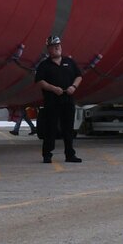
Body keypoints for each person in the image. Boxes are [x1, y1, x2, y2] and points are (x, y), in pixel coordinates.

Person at [34, 35, 83, 163]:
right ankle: (47, 154)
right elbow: (40, 81)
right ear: (48, 49)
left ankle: (70, 154)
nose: (57, 48)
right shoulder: (44, 65)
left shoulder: (69, 62)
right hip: (52, 101)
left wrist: (73, 86)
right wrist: (53, 88)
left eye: (58, 46)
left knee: (68, 129)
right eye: (53, 47)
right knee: (50, 128)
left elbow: (79, 76)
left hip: (67, 100)